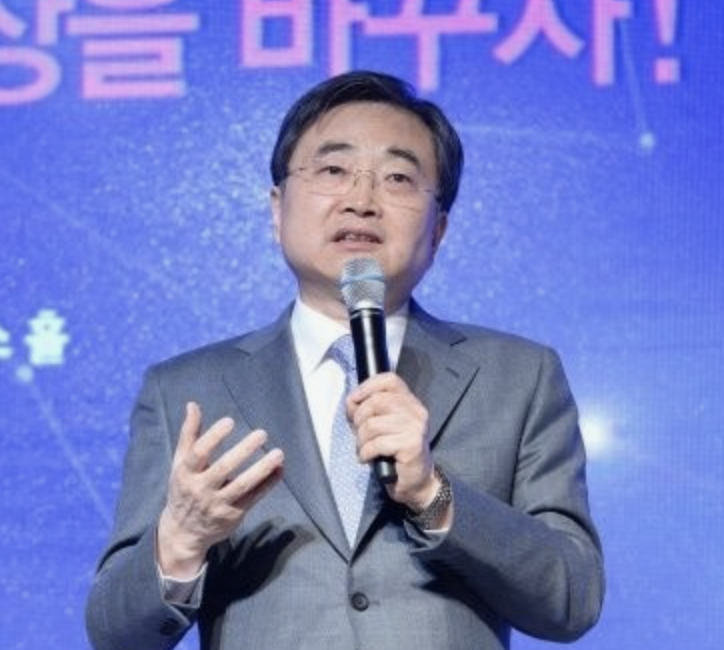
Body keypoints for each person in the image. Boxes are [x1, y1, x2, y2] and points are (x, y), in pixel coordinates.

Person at [86, 70, 604, 650]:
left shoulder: (519, 377)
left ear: (438, 230)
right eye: (333, 170)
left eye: (398, 177)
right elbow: (115, 634)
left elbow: (573, 598)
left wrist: (433, 495)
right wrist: (180, 541)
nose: (361, 200)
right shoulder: (184, 389)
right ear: (277, 209)